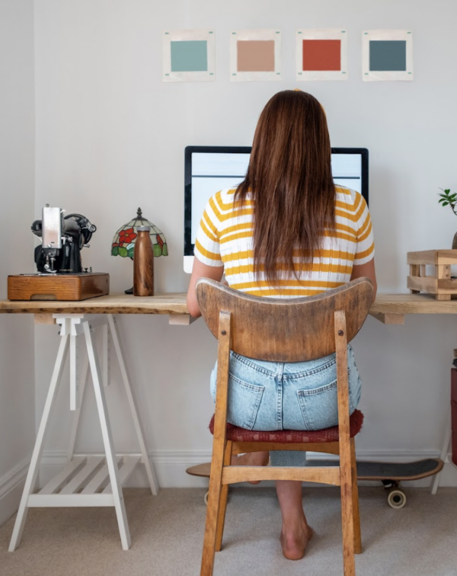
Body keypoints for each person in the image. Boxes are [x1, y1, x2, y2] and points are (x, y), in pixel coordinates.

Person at [186, 89, 376, 561]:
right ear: (321, 142)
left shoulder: (220, 207)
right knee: (302, 380)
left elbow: (196, 304)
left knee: (271, 393)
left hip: (243, 401)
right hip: (325, 402)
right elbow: (364, 299)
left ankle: (260, 465)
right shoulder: (352, 207)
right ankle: (293, 526)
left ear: (261, 141)